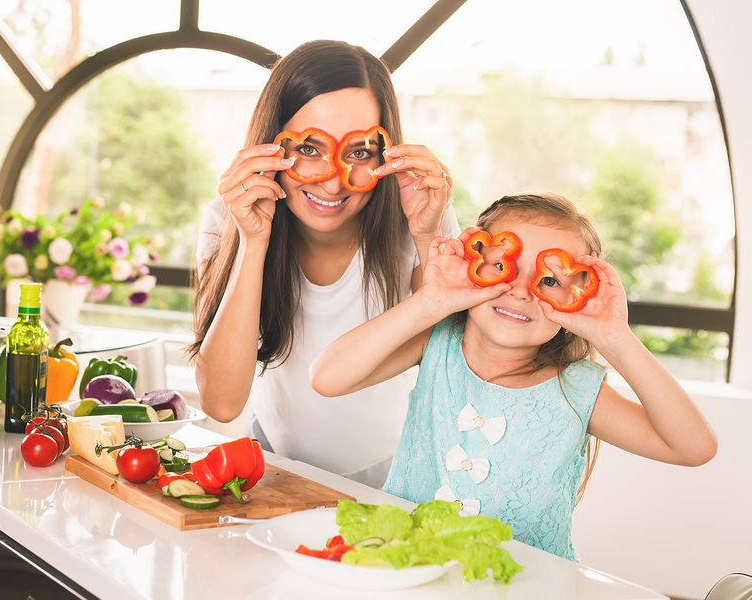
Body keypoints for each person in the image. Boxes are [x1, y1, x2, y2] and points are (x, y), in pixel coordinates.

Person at [310, 191, 717, 560]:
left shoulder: (576, 390)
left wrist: (615, 336)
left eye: (549, 280)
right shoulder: (435, 341)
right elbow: (327, 378)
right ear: (474, 262)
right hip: (409, 573)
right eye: (503, 266)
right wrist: (430, 301)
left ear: (580, 297)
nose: (521, 290)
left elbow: (693, 447)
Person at [187, 40, 460, 489]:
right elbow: (220, 402)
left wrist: (429, 235)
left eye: (357, 152)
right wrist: (254, 242)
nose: (333, 182)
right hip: (275, 469)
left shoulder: (419, 217)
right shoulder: (227, 218)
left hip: (397, 474)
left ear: (384, 153)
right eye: (309, 149)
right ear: (272, 143)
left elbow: (455, 360)